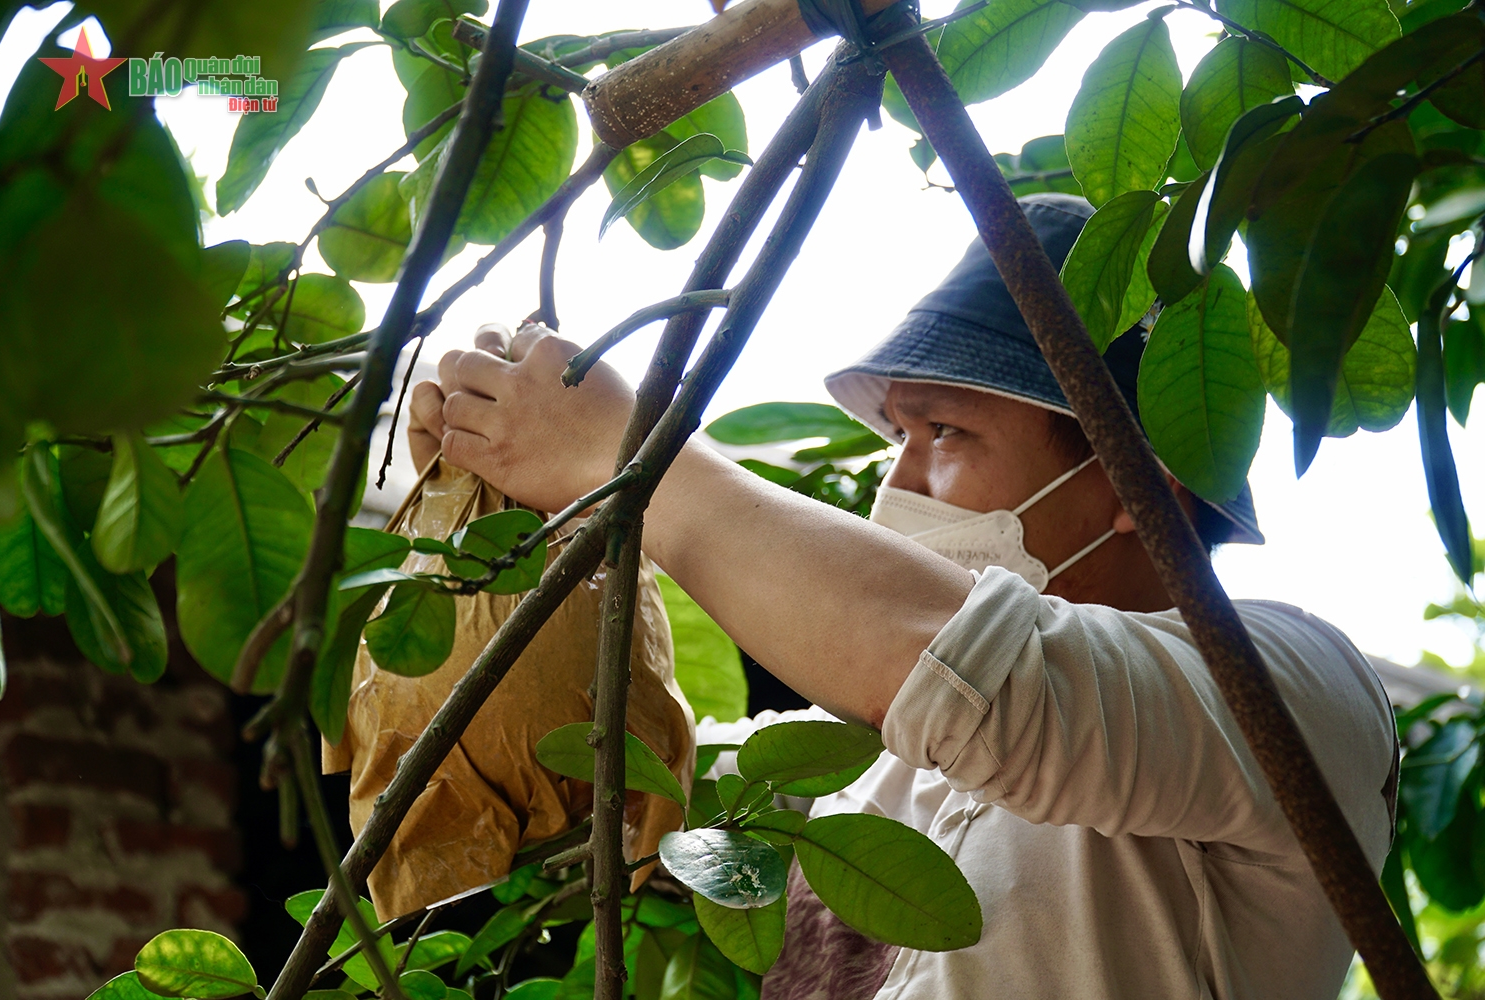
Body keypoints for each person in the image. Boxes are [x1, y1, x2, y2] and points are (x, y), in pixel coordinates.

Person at [407, 194, 1398, 999]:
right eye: (901, 440)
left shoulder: (1296, 685)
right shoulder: (854, 778)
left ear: (1145, 481)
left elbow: (977, 676)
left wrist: (634, 462)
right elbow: (582, 778)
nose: (903, 489)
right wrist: (535, 519)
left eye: (948, 435)